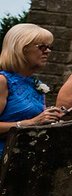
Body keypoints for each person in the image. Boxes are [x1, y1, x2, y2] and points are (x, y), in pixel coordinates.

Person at [0, 23, 64, 156]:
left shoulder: (36, 84)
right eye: (42, 47)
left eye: (49, 47)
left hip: (23, 158)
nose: (48, 51)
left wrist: (51, 116)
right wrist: (31, 122)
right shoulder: (3, 81)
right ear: (21, 49)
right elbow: (31, 122)